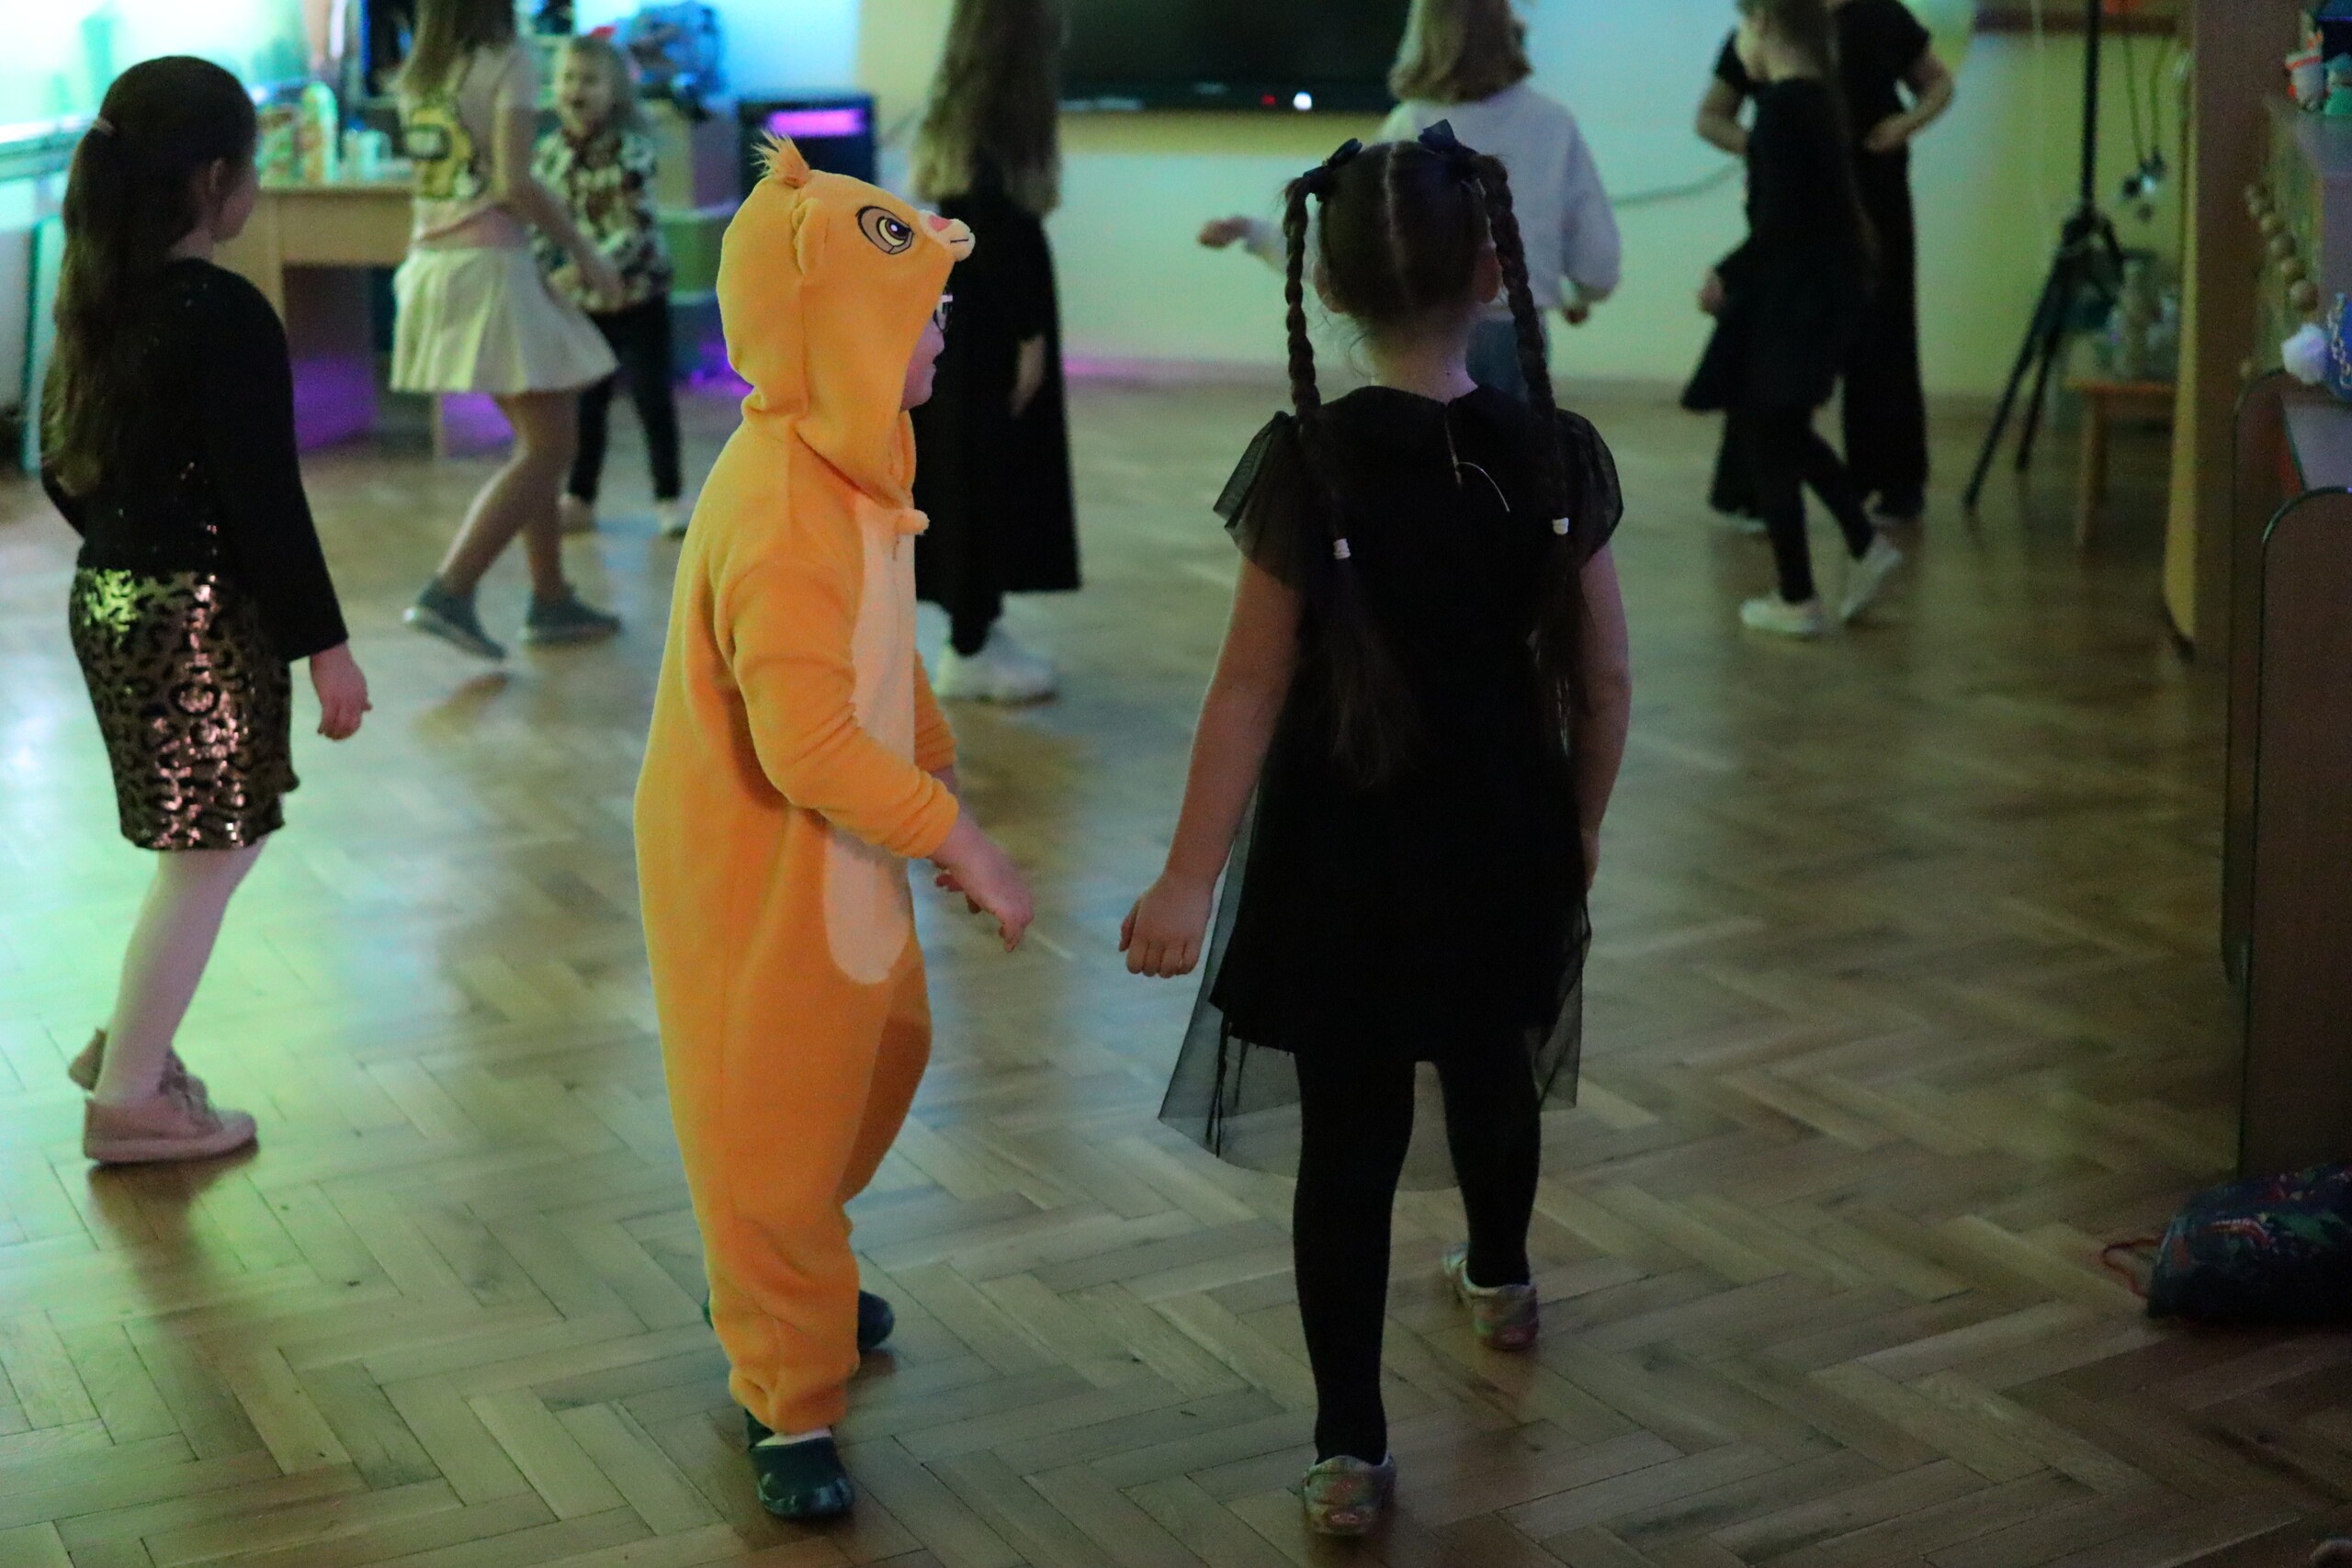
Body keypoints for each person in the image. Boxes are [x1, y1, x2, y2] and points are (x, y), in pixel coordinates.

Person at [1125, 125, 1633, 1536]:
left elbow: (1247, 685)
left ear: (1328, 286)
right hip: (1502, 829)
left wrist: (1186, 874)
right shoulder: (1552, 455)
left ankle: (1351, 1448)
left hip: (1338, 850)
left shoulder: (1312, 464)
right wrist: (1581, 826)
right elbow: (1603, 680)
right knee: (1494, 1063)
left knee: (1346, 1147)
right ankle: (1501, 1273)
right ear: (1493, 272)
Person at [635, 137, 1034, 1523]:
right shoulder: (779, 513)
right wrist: (960, 838)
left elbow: (880, 647)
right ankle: (786, 1387)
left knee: (876, 1059)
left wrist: (933, 770)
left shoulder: (857, 464)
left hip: (844, 857)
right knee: (773, 1126)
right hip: (757, 880)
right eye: (921, 310)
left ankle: (781, 1258)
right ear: (846, 336)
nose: (942, 327)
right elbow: (801, 744)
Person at [39, 58, 372, 1164]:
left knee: (213, 845)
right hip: (191, 616)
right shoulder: (223, 313)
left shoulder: (99, 293)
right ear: (216, 177)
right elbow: (264, 501)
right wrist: (327, 649)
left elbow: (59, 464)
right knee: (211, 854)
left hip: (111, 598)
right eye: (254, 170)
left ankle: (127, 1050)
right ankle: (129, 1096)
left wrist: (126, 549)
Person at [1201, 0, 1621, 402]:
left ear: (1420, 37)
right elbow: (1598, 260)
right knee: (1512, 446)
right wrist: (1580, 296)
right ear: (1510, 31)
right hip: (1518, 334)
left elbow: (1351, 238)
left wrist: (1254, 233)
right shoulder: (1553, 122)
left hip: (1417, 338)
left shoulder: (1410, 123)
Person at [392, 0, 628, 660]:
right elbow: (514, 183)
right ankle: (450, 589)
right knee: (551, 447)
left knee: (543, 434)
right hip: (489, 268)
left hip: (436, 263)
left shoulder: (422, 71)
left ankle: (550, 597)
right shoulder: (508, 60)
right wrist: (586, 251)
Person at [1684, 0, 1905, 638]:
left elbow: (1780, 225)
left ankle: (1799, 595)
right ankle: (1859, 548)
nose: (1739, 43)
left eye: (1742, 27)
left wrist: (1726, 273)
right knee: (1780, 431)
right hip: (1817, 295)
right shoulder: (1813, 101)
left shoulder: (1782, 109)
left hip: (1795, 302)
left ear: (1763, 24)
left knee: (1768, 433)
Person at [1698, 0, 1955, 525]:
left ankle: (1892, 481)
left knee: (1884, 336)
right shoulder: (1768, 24)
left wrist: (1904, 125)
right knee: (1772, 341)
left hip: (1875, 199)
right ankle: (1751, 488)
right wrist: (1764, 149)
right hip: (1790, 211)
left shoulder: (1882, 15)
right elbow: (1711, 116)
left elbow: (1938, 85)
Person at [908, 0, 1080, 703]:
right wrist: (1028, 330)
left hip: (968, 308)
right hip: (987, 318)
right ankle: (970, 644)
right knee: (977, 470)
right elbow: (989, 225)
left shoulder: (963, 106)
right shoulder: (994, 117)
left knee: (980, 466)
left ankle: (978, 627)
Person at [537, 32, 688, 540]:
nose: (576, 89)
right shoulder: (550, 154)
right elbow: (542, 224)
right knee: (587, 403)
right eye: (568, 78)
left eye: (590, 80)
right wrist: (537, 273)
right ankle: (579, 496)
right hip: (583, 304)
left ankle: (669, 496)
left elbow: (636, 228)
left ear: (616, 92)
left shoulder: (631, 151)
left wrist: (583, 268)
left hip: (639, 295)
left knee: (651, 398)